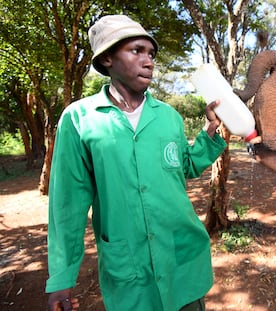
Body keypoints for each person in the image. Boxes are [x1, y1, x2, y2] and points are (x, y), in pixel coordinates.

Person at [46, 14, 227, 311]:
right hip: (129, 270)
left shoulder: (168, 116)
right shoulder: (79, 119)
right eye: (136, 51)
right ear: (107, 59)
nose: (149, 61)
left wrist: (208, 134)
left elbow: (182, 167)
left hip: (182, 259)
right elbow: (67, 203)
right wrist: (61, 278)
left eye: (151, 53)